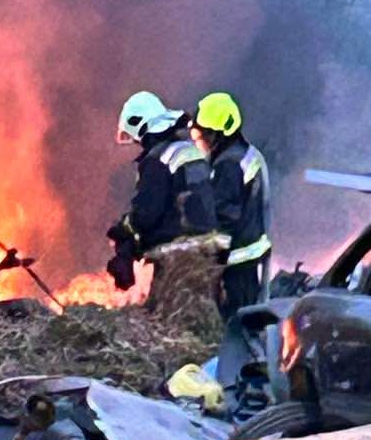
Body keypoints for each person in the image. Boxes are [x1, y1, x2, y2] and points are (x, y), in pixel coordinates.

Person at [106, 91, 216, 290]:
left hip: (178, 260)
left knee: (167, 315)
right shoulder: (188, 149)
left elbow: (146, 214)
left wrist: (123, 234)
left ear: (141, 126)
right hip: (209, 254)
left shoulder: (158, 160)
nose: (137, 143)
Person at [192, 90, 272, 313]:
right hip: (248, 253)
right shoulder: (244, 153)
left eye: (204, 135)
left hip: (236, 259)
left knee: (234, 324)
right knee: (247, 318)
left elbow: (224, 215)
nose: (201, 142)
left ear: (218, 134)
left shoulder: (229, 164)